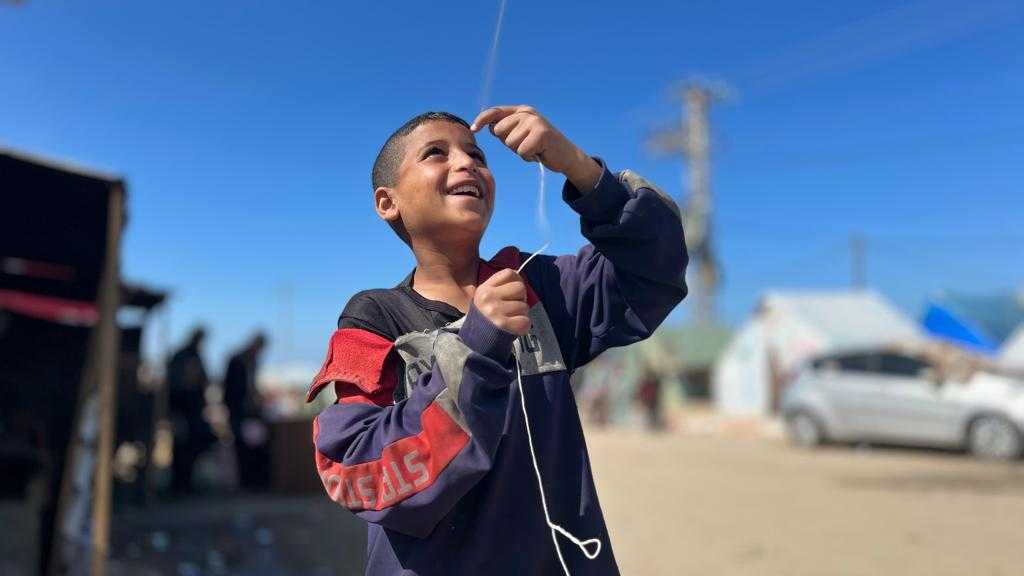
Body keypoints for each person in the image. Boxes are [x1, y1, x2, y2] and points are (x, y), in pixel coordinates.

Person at [307, 107, 688, 575]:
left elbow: (656, 269)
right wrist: (474, 347)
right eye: (435, 154)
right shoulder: (374, 318)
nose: (467, 164)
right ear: (388, 202)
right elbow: (357, 472)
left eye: (477, 154)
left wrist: (579, 168)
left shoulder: (540, 288)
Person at [166, 326, 214, 494]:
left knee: (189, 449)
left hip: (191, 411)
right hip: (183, 410)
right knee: (182, 449)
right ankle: (180, 485)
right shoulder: (185, 356)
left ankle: (185, 484)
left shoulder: (190, 355)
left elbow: (203, 380)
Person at [223, 332, 269, 490]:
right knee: (243, 448)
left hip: (248, 411)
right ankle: (247, 482)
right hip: (239, 412)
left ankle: (253, 480)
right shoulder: (238, 361)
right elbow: (233, 390)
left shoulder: (250, 361)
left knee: (253, 446)